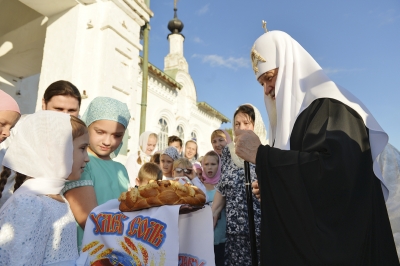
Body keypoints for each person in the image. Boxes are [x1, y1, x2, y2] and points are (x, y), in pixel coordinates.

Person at [235, 30, 399, 264]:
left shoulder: (331, 107)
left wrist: (263, 156)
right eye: (261, 83)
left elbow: (336, 180)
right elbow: (304, 178)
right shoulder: (294, 119)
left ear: (290, 67)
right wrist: (273, 183)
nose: (266, 89)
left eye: (269, 77)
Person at [0, 111, 89, 265]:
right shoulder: (29, 202)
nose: (87, 158)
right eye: (82, 148)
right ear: (56, 151)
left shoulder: (56, 196)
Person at [62, 96, 131, 251]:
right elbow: (88, 220)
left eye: (117, 135)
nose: (108, 141)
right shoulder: (82, 164)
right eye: (100, 132)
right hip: (90, 250)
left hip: (119, 248)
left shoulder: (121, 169)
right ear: (87, 126)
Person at [0, 81, 81, 207]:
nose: (64, 116)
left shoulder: (78, 139)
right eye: (58, 109)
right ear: (44, 104)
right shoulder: (14, 131)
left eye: (71, 110)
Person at [212, 104, 267, 266]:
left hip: (261, 234)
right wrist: (210, 216)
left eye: (246, 123)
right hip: (235, 235)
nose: (241, 128)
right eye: (237, 124)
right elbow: (223, 188)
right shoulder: (229, 152)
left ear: (256, 126)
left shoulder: (266, 151)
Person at [201, 150, 226, 266]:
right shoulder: (198, 185)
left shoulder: (223, 185)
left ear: (219, 165)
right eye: (206, 164)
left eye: (213, 164)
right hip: (203, 238)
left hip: (221, 238)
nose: (209, 168)